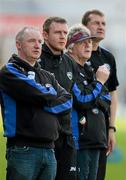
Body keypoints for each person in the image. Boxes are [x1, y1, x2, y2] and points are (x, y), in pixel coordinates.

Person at [0, 26, 72, 180]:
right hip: (23, 150)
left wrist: (43, 101)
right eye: (32, 41)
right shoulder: (9, 71)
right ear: (18, 44)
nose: (37, 45)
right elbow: (39, 95)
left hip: (49, 149)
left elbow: (67, 101)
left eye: (40, 41)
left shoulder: (48, 76)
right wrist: (49, 95)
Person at [66, 24, 111, 180]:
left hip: (96, 139)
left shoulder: (90, 70)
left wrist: (95, 89)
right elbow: (82, 100)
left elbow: (106, 100)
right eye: (82, 42)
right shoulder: (69, 69)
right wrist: (98, 83)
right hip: (80, 141)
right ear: (70, 47)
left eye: (90, 42)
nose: (88, 45)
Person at [82, 9, 119, 180]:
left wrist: (111, 129)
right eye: (96, 23)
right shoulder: (76, 54)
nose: (101, 26)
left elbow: (113, 94)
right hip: (80, 130)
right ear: (85, 27)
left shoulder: (108, 57)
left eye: (103, 23)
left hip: (101, 131)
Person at [39, 16, 77, 180]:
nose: (63, 37)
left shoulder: (70, 62)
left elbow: (73, 96)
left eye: (65, 33)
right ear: (45, 35)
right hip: (43, 137)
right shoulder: (35, 60)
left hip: (66, 137)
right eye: (58, 32)